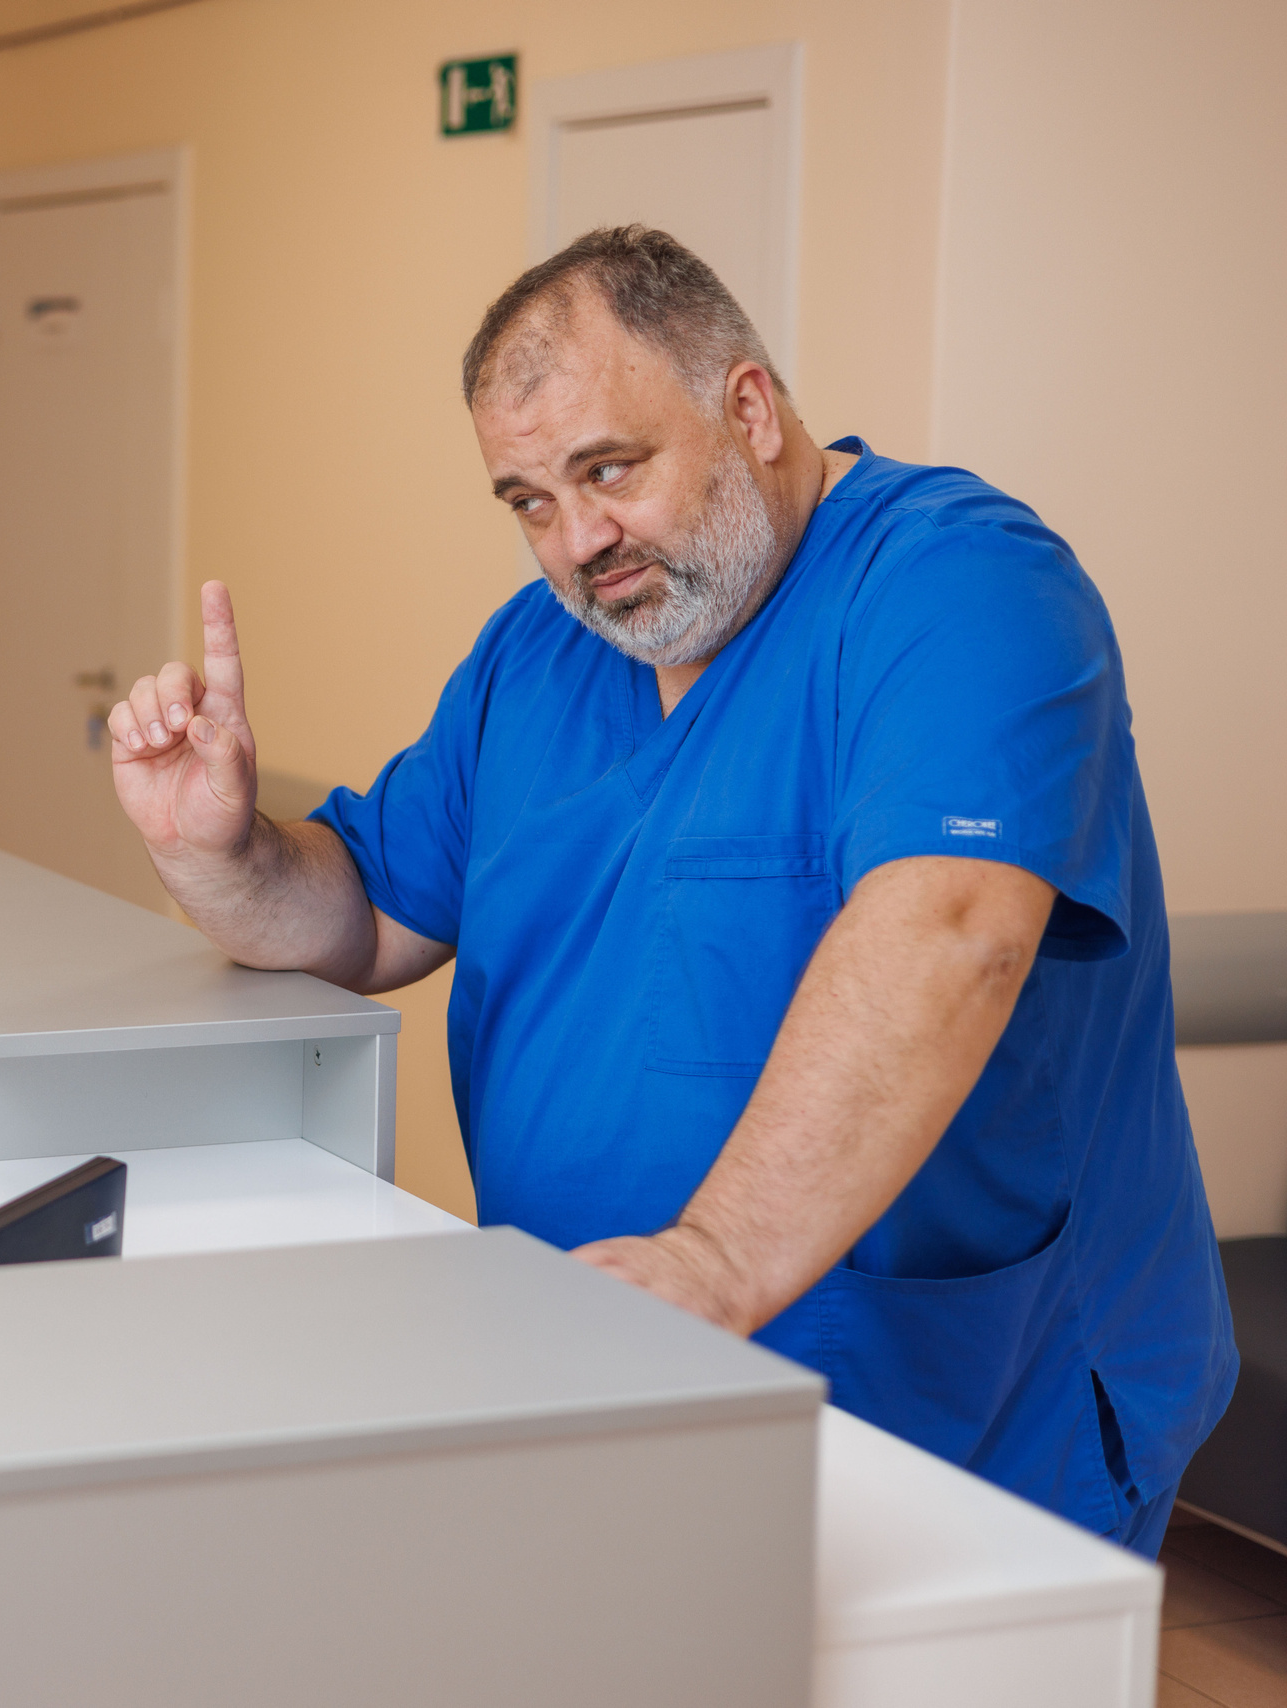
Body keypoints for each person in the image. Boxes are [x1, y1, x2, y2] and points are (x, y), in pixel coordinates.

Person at [106, 226, 1231, 1553]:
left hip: (959, 1412)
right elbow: (361, 917)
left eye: (610, 469)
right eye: (527, 499)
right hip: (616, 1380)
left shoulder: (958, 586)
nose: (580, 539)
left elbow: (953, 932)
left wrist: (710, 1264)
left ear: (748, 409)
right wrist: (218, 850)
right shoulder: (537, 659)